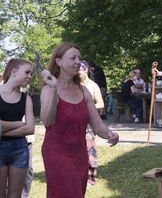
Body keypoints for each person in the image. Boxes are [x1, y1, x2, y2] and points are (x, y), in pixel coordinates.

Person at [40, 42, 119, 198]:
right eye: (72, 58)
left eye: (79, 58)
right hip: (57, 153)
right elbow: (47, 121)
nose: (78, 61)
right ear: (59, 62)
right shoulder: (49, 89)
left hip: (80, 153)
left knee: (78, 193)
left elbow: (97, 125)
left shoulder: (84, 91)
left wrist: (110, 134)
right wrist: (55, 89)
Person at [0, 59, 35, 198]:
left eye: (31, 73)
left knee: (15, 196)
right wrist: (19, 124)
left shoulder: (26, 99)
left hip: (20, 150)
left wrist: (1, 126)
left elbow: (30, 129)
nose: (30, 77)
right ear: (13, 72)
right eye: (27, 72)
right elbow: (25, 126)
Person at [79, 60, 104, 185]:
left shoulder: (93, 85)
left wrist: (88, 106)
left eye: (79, 70)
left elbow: (101, 103)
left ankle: (90, 175)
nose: (77, 73)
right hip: (76, 122)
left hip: (89, 122)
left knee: (89, 147)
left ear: (86, 70)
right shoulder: (73, 85)